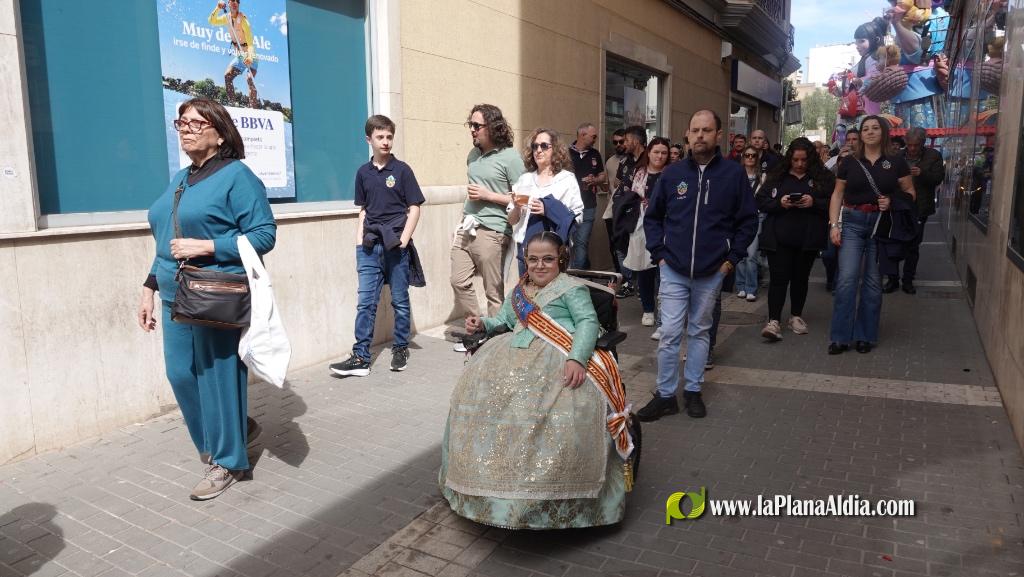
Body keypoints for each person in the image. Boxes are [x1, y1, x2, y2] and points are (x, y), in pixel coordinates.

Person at [440, 232, 632, 529]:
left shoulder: (570, 288)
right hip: (510, 354)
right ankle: (490, 489)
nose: (539, 266)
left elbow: (587, 322)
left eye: (548, 259)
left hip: (558, 355)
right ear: (525, 260)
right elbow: (503, 320)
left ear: (561, 260)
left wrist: (577, 358)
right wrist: (483, 323)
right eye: (533, 259)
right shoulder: (521, 289)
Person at [140, 97, 276, 500]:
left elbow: (264, 235)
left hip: (214, 290)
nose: (185, 128)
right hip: (172, 291)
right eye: (181, 122)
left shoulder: (237, 176)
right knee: (180, 374)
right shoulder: (181, 179)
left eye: (196, 123)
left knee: (218, 378)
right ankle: (232, 430)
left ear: (219, 133)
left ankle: (228, 461)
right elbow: (167, 238)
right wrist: (149, 286)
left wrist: (208, 246)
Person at [638, 110, 757, 421]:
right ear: (687, 134)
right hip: (673, 269)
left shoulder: (733, 175)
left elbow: (747, 221)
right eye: (695, 130)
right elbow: (652, 218)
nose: (700, 135)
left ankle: (693, 391)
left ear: (719, 135)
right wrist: (659, 256)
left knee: (700, 332)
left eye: (707, 130)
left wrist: (731, 261)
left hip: (712, 271)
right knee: (669, 334)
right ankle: (665, 395)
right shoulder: (673, 174)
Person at [329, 115, 424, 377]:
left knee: (400, 302)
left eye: (389, 136)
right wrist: (359, 244)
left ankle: (400, 347)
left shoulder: (402, 171)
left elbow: (414, 208)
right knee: (365, 303)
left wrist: (403, 241)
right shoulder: (363, 173)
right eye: (380, 137)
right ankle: (361, 357)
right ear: (369, 139)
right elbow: (363, 210)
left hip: (396, 244)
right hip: (370, 245)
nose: (385, 141)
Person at [827, 116, 916, 355]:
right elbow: (837, 194)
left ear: (883, 132)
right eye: (865, 128)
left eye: (875, 128)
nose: (870, 132)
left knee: (873, 283)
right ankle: (840, 337)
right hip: (853, 223)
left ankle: (865, 336)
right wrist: (834, 225)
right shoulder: (849, 162)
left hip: (881, 225)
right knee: (846, 280)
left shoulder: (896, 162)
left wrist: (892, 200)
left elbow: (910, 193)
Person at [450, 104, 527, 351]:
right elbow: (471, 193)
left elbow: (523, 198)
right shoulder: (473, 155)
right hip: (468, 226)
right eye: (470, 125)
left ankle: (495, 342)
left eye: (476, 125)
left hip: (494, 230)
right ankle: (477, 327)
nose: (471, 130)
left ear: (493, 127)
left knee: (493, 292)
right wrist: (460, 220)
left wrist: (488, 195)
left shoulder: (510, 157)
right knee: (458, 280)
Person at [756, 138, 834, 341]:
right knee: (778, 280)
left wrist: (814, 202)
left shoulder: (822, 177)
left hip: (807, 238)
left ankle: (796, 316)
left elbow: (833, 203)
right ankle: (773, 320)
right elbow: (761, 201)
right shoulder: (777, 176)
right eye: (796, 160)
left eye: (804, 160)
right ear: (790, 158)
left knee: (800, 279)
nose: (799, 164)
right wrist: (779, 203)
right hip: (778, 237)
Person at [508, 129, 584, 274]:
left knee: (552, 294)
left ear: (555, 149)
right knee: (528, 293)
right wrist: (517, 208)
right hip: (526, 250)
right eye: (535, 146)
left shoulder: (566, 179)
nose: (538, 150)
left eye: (544, 146)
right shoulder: (525, 179)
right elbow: (511, 220)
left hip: (553, 250)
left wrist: (549, 209)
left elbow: (578, 216)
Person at [888, 127, 944, 294]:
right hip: (898, 207)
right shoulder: (897, 156)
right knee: (894, 243)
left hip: (920, 207)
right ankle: (892, 279)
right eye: (909, 145)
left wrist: (922, 173)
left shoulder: (933, 156)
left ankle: (908, 280)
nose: (912, 148)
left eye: (916, 145)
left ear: (923, 143)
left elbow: (938, 178)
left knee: (913, 246)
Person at [624, 137, 671, 327]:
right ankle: (648, 310)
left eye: (664, 152)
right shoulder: (639, 173)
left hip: (667, 226)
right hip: (641, 225)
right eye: (656, 152)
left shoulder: (672, 174)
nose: (659, 156)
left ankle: (665, 312)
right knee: (644, 270)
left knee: (665, 271)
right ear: (649, 153)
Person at [611, 125, 647, 298]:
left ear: (634, 140)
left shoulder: (648, 159)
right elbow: (618, 181)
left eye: (626, 140)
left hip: (639, 213)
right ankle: (629, 282)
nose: (624, 144)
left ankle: (642, 286)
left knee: (639, 249)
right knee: (620, 247)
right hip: (622, 210)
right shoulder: (625, 160)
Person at [823, 128, 860, 292]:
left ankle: (839, 284)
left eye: (855, 139)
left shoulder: (862, 167)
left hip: (852, 222)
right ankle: (831, 278)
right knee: (829, 255)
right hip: (833, 221)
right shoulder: (831, 175)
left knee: (844, 257)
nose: (851, 142)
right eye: (849, 139)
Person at [568, 123, 606, 269]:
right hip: (568, 207)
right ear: (582, 135)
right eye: (593, 136)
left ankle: (578, 279)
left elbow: (603, 177)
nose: (596, 138)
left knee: (581, 242)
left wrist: (594, 180)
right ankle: (577, 273)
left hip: (589, 205)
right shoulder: (566, 153)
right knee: (569, 243)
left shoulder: (595, 154)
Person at [210, 0, 259, 108]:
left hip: (251, 54)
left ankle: (254, 110)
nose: (235, 2)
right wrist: (217, 8)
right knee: (227, 76)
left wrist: (250, 57)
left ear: (238, 4)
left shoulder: (243, 20)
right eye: (232, 0)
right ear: (228, 3)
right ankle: (232, 106)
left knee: (250, 80)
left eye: (237, 1)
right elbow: (212, 21)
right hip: (240, 55)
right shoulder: (226, 17)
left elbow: (250, 42)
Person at [735, 146, 766, 301]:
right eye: (747, 155)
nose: (750, 158)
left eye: (753, 156)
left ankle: (751, 288)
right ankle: (740, 286)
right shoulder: (736, 175)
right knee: (740, 252)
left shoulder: (763, 177)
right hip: (738, 218)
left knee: (752, 254)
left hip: (756, 217)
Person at [602, 130, 627, 274]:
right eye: (615, 142)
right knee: (614, 244)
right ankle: (620, 275)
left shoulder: (633, 161)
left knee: (627, 246)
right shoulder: (610, 161)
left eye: (621, 141)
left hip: (628, 211)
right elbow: (608, 186)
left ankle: (630, 279)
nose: (618, 145)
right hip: (611, 210)